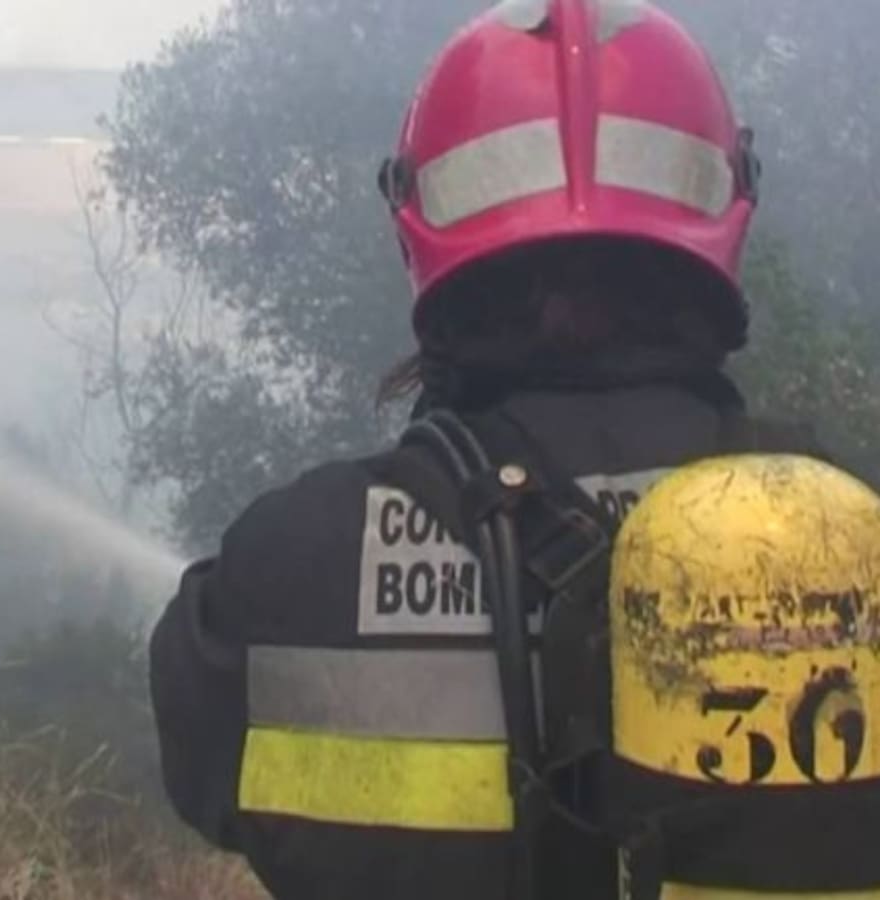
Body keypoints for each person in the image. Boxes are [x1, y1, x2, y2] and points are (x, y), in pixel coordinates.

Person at [148, 1, 833, 898]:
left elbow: (205, 767)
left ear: (422, 218)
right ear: (721, 203)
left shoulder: (271, 587)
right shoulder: (846, 533)